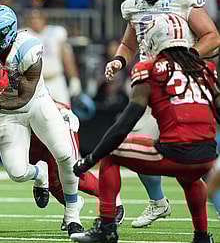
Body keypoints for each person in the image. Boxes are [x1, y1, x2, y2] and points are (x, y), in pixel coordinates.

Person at [72, 14, 217, 243]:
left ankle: (106, 228)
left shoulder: (149, 69)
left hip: (176, 152)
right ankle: (201, 236)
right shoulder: (206, 69)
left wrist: (90, 159)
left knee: (112, 153)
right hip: (208, 155)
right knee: (189, 178)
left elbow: (123, 126)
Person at [104, 0, 220, 228]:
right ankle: (158, 202)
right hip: (149, 85)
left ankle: (207, 220)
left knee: (191, 160)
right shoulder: (134, 7)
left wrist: (184, 59)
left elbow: (212, 37)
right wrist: (118, 61)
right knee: (135, 140)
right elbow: (128, 44)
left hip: (183, 86)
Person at [0, 4, 84, 238]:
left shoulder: (28, 48)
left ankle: (72, 213)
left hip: (36, 103)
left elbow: (23, 98)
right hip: (6, 111)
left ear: (7, 33)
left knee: (65, 153)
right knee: (17, 172)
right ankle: (40, 173)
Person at [0, 95, 125, 230]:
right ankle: (70, 206)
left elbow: (37, 102)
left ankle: (113, 200)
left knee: (71, 173)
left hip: (56, 122)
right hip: (30, 135)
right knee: (52, 182)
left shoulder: (18, 97)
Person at [24, 10, 81, 104]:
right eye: (32, 19)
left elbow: (66, 57)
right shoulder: (24, 35)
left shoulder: (57, 32)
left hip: (56, 79)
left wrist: (74, 78)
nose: (36, 21)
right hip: (35, 82)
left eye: (38, 18)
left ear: (44, 20)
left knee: (64, 113)